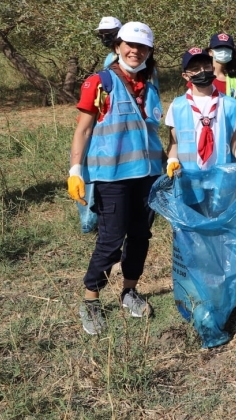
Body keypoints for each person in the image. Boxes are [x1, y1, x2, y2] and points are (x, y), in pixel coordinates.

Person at [67, 22, 163, 335]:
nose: (135, 52)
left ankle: (129, 292)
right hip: (112, 177)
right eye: (129, 46)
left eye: (142, 48)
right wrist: (75, 170)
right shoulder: (101, 82)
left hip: (146, 175)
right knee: (110, 240)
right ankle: (91, 300)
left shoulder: (148, 85)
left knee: (140, 236)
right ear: (117, 46)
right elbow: (83, 129)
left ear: (149, 52)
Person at [164, 47, 236, 175]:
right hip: (190, 178)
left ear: (212, 68)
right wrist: (172, 160)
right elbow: (174, 142)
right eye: (195, 69)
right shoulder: (177, 106)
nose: (202, 71)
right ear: (185, 76)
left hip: (221, 177)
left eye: (206, 66)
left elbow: (233, 141)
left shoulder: (230, 105)